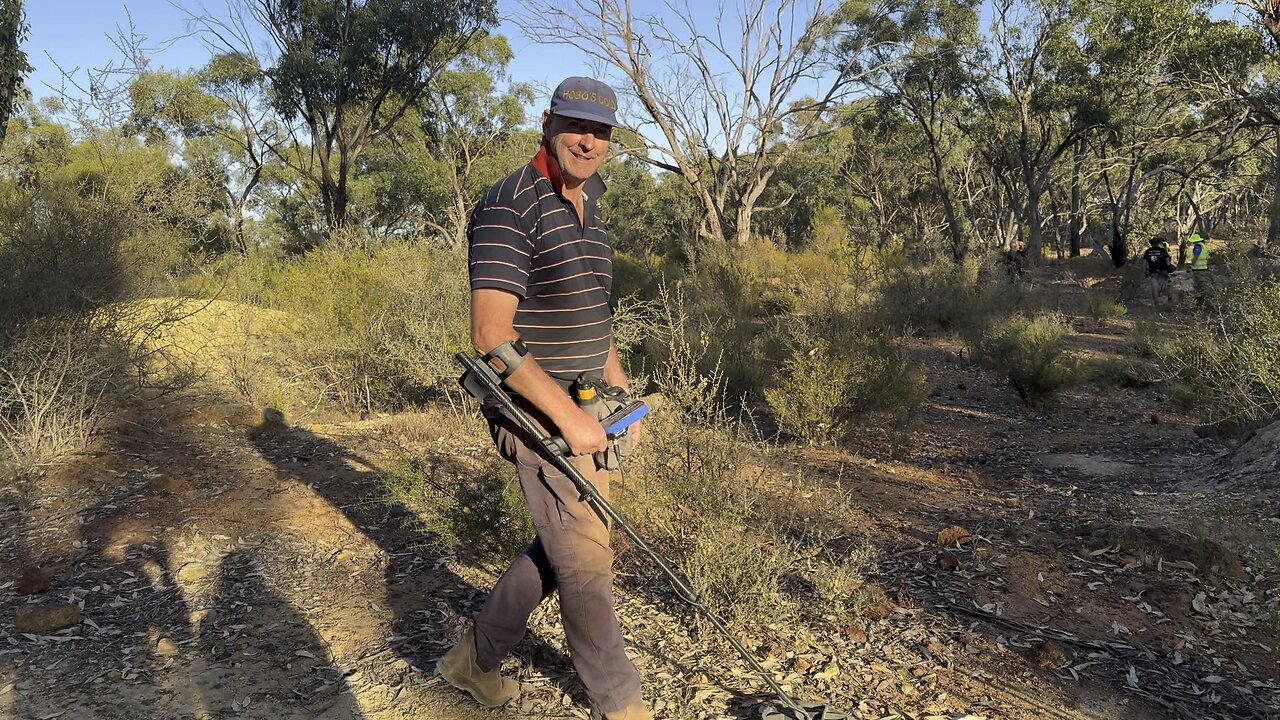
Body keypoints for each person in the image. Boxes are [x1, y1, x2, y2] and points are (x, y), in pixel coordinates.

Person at [436, 76, 651, 720]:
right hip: (540, 421)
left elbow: (594, 311)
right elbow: (490, 334)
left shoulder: (591, 204)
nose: (589, 141)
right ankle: (622, 702)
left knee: (565, 547)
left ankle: (475, 659)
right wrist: (568, 419)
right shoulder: (510, 204)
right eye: (577, 126)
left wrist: (616, 398)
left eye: (602, 131)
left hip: (589, 413)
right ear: (549, 122)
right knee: (586, 563)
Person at [1141, 236, 1174, 303]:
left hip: (1153, 271)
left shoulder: (1147, 251)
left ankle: (1156, 302)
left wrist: (1145, 271)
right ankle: (1170, 299)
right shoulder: (1163, 250)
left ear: (1151, 244)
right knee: (1169, 284)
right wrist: (1169, 268)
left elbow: (1144, 263)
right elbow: (1168, 261)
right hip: (1164, 270)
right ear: (1159, 243)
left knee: (1154, 286)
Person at [1187, 232, 1211, 297]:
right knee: (1204, 286)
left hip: (1198, 270)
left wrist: (1191, 266)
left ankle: (1199, 300)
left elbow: (1196, 257)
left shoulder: (1198, 246)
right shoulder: (1204, 246)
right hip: (1204, 268)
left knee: (1198, 286)